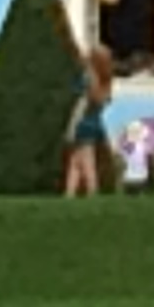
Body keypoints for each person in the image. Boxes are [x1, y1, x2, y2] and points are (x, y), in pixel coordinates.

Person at [62, 45, 113, 200]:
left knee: (87, 162)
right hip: (94, 122)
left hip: (82, 123)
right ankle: (69, 195)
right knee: (75, 161)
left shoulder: (88, 78)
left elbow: (81, 105)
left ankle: (93, 193)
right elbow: (105, 102)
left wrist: (72, 126)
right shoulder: (105, 81)